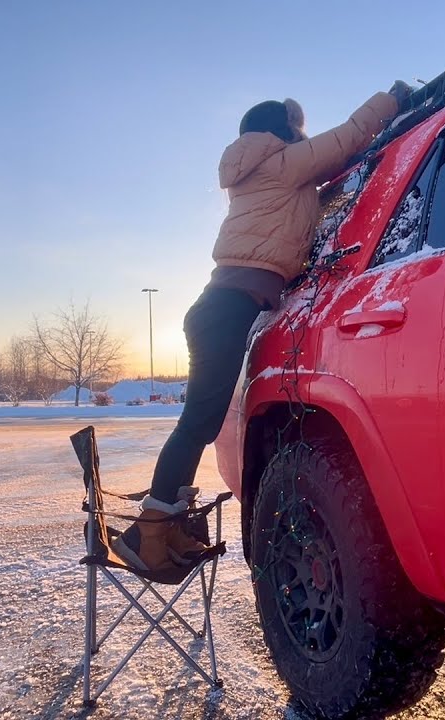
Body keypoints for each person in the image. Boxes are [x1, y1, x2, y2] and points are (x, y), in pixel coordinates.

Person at [113, 81, 413, 572]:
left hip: (220, 306)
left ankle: (158, 531)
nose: (303, 138)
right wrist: (393, 98)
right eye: (297, 131)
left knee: (200, 425)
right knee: (197, 425)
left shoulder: (255, 172)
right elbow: (349, 137)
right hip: (227, 308)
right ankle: (145, 536)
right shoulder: (280, 163)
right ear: (281, 132)